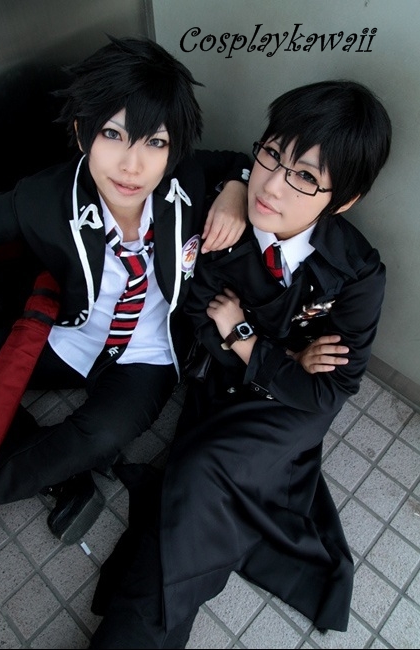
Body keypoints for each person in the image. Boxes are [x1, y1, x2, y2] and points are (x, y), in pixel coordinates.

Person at [88, 79, 392, 648]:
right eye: (272, 154)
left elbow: (327, 393)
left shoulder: (359, 274)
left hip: (292, 410)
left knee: (200, 471)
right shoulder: (228, 220)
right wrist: (235, 181)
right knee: (196, 479)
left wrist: (246, 338)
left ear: (344, 200)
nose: (273, 185)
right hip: (227, 381)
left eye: (306, 177)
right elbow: (202, 313)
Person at [0, 35, 251, 544]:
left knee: (98, 436)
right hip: (73, 334)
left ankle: (9, 481)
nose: (133, 166)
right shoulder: (44, 197)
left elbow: (240, 161)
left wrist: (236, 189)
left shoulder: (187, 179)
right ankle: (55, 473)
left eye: (155, 142)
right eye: (113, 134)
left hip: (149, 353)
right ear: (81, 131)